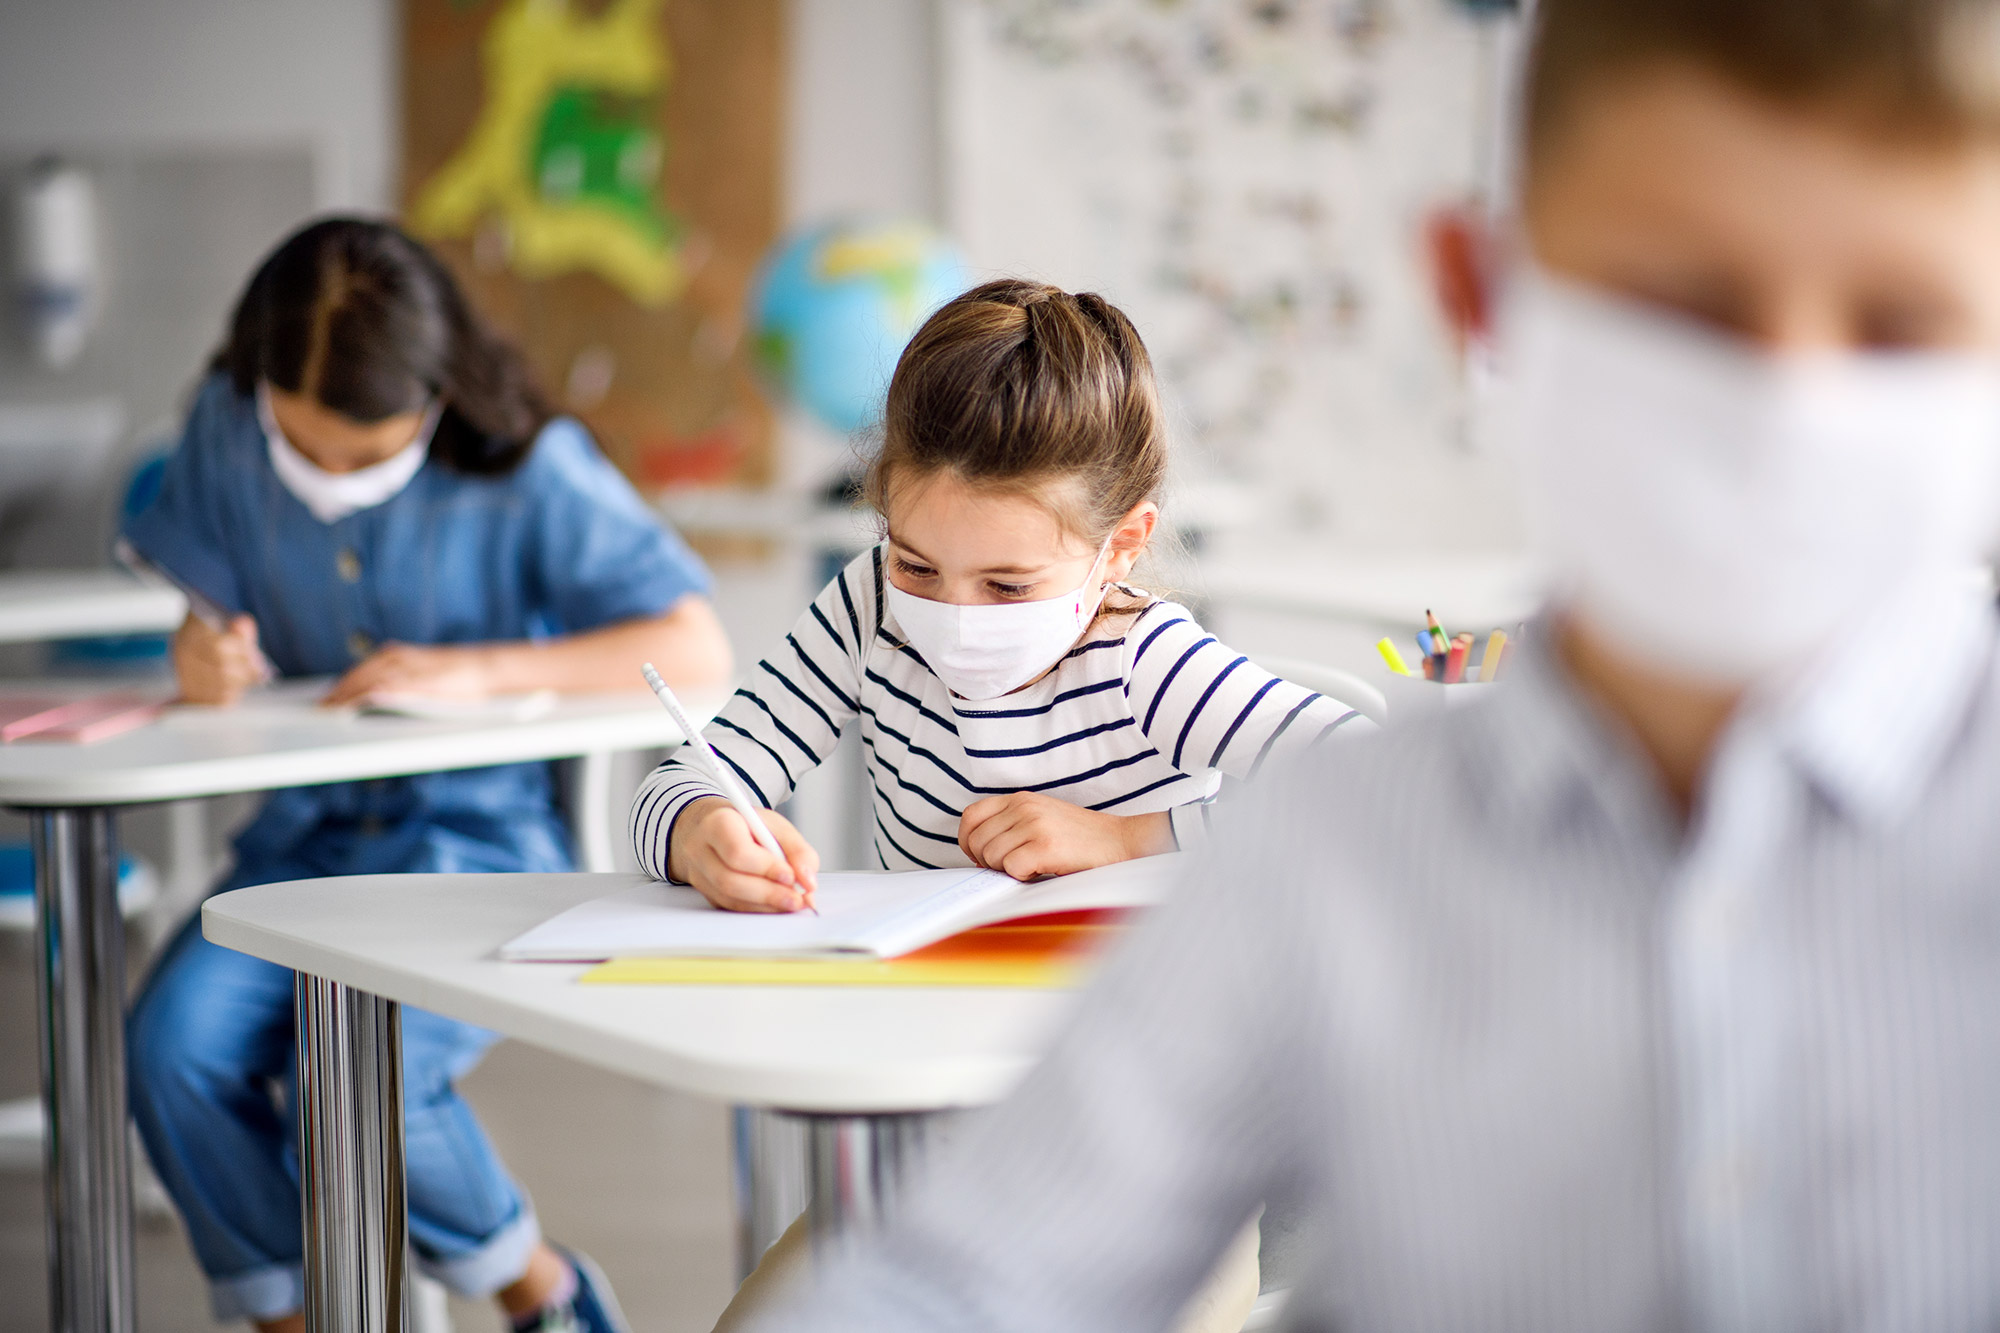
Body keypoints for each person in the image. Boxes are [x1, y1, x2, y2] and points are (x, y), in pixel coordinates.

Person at [735, 0, 2000, 1328]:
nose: (1784, 402)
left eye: (1903, 322)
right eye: (1681, 302)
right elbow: (978, 1279)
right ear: (1480, 291)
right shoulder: (1327, 859)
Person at [629, 279, 1369, 1330]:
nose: (949, 612)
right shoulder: (865, 610)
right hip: (930, 1146)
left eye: (1008, 585)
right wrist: (703, 831)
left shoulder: (1143, 660)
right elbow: (693, 771)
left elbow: (1368, 792)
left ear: (1118, 545)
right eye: (917, 561)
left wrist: (1132, 835)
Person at [123, 218, 730, 1333]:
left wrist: (483, 668)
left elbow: (694, 645)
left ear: (435, 394)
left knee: (358, 1081)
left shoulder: (528, 465)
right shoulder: (221, 428)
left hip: (478, 846)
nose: (332, 481)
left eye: (367, 455)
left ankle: (541, 1292)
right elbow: (201, 614)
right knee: (170, 1050)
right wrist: (198, 655)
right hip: (299, 849)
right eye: (303, 451)